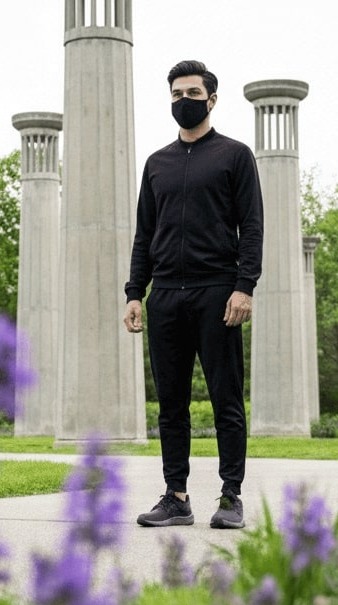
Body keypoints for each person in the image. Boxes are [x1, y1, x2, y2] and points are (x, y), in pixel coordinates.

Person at [123, 60, 263, 530]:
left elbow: (253, 226)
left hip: (217, 293)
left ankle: (230, 496)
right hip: (164, 296)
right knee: (171, 405)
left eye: (192, 93)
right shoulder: (156, 164)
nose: (184, 101)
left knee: (226, 399)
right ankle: (176, 496)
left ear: (212, 99)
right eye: (176, 94)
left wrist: (244, 286)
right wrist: (134, 292)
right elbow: (144, 233)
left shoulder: (235, 156)